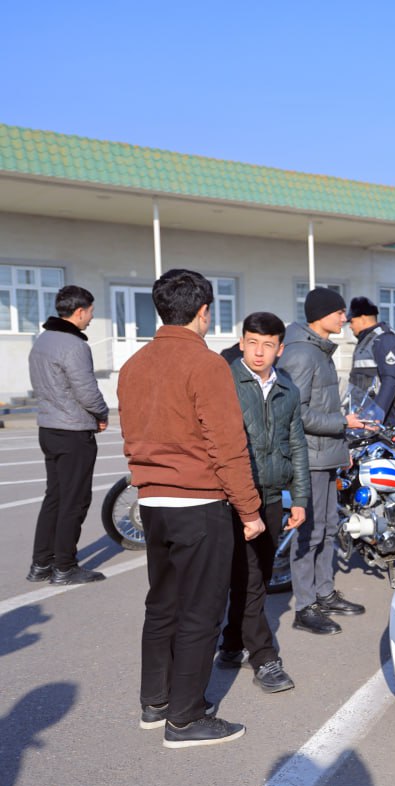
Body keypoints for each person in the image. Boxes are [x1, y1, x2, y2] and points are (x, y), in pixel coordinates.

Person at [118, 269, 264, 748]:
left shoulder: (133, 364)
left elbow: (131, 435)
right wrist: (249, 511)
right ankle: (185, 718)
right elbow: (227, 445)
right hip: (198, 502)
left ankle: (155, 702)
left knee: (162, 603)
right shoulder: (206, 364)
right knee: (201, 611)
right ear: (204, 312)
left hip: (152, 501)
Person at [216, 312, 310, 693]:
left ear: (280, 349)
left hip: (271, 498)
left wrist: (300, 498)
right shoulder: (225, 382)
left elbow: (297, 445)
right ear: (241, 343)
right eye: (252, 343)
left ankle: (231, 643)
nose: (259, 352)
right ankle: (264, 657)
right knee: (251, 578)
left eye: (267, 345)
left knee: (257, 575)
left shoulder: (287, 388)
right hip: (234, 498)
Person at [279, 287, 367, 636]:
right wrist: (342, 422)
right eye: (339, 312)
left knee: (329, 528)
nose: (345, 317)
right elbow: (296, 413)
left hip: (326, 454)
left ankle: (324, 593)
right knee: (309, 534)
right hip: (310, 458)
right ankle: (305, 607)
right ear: (320, 315)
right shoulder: (302, 353)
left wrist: (342, 442)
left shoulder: (319, 350)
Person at [27, 284, 109, 585]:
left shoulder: (43, 340)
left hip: (48, 428)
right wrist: (102, 413)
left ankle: (41, 563)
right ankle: (65, 567)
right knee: (74, 500)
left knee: (55, 497)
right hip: (73, 431)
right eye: (91, 312)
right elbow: (86, 391)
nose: (91, 317)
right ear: (79, 312)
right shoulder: (75, 345)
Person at [347, 296, 395, 427]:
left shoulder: (384, 339)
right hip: (362, 415)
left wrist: (376, 414)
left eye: (352, 321)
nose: (350, 326)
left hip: (376, 421)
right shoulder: (367, 340)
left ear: (363, 318)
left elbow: (391, 381)